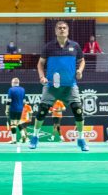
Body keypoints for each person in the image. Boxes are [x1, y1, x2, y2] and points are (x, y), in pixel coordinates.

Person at [29, 21, 88, 151]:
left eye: (64, 28)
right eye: (59, 28)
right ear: (56, 31)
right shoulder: (49, 47)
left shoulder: (75, 46)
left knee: (78, 111)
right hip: (51, 87)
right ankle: (35, 137)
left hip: (70, 86)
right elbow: (40, 64)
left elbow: (82, 60)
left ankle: (81, 139)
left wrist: (80, 71)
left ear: (68, 30)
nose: (62, 30)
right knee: (42, 111)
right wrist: (41, 77)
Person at [6, 77, 26, 144]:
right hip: (20, 109)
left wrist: (6, 109)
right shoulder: (23, 89)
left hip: (13, 108)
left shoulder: (11, 90)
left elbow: (9, 100)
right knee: (19, 122)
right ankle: (23, 135)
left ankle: (14, 140)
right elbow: (24, 101)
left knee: (13, 124)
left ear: (13, 83)